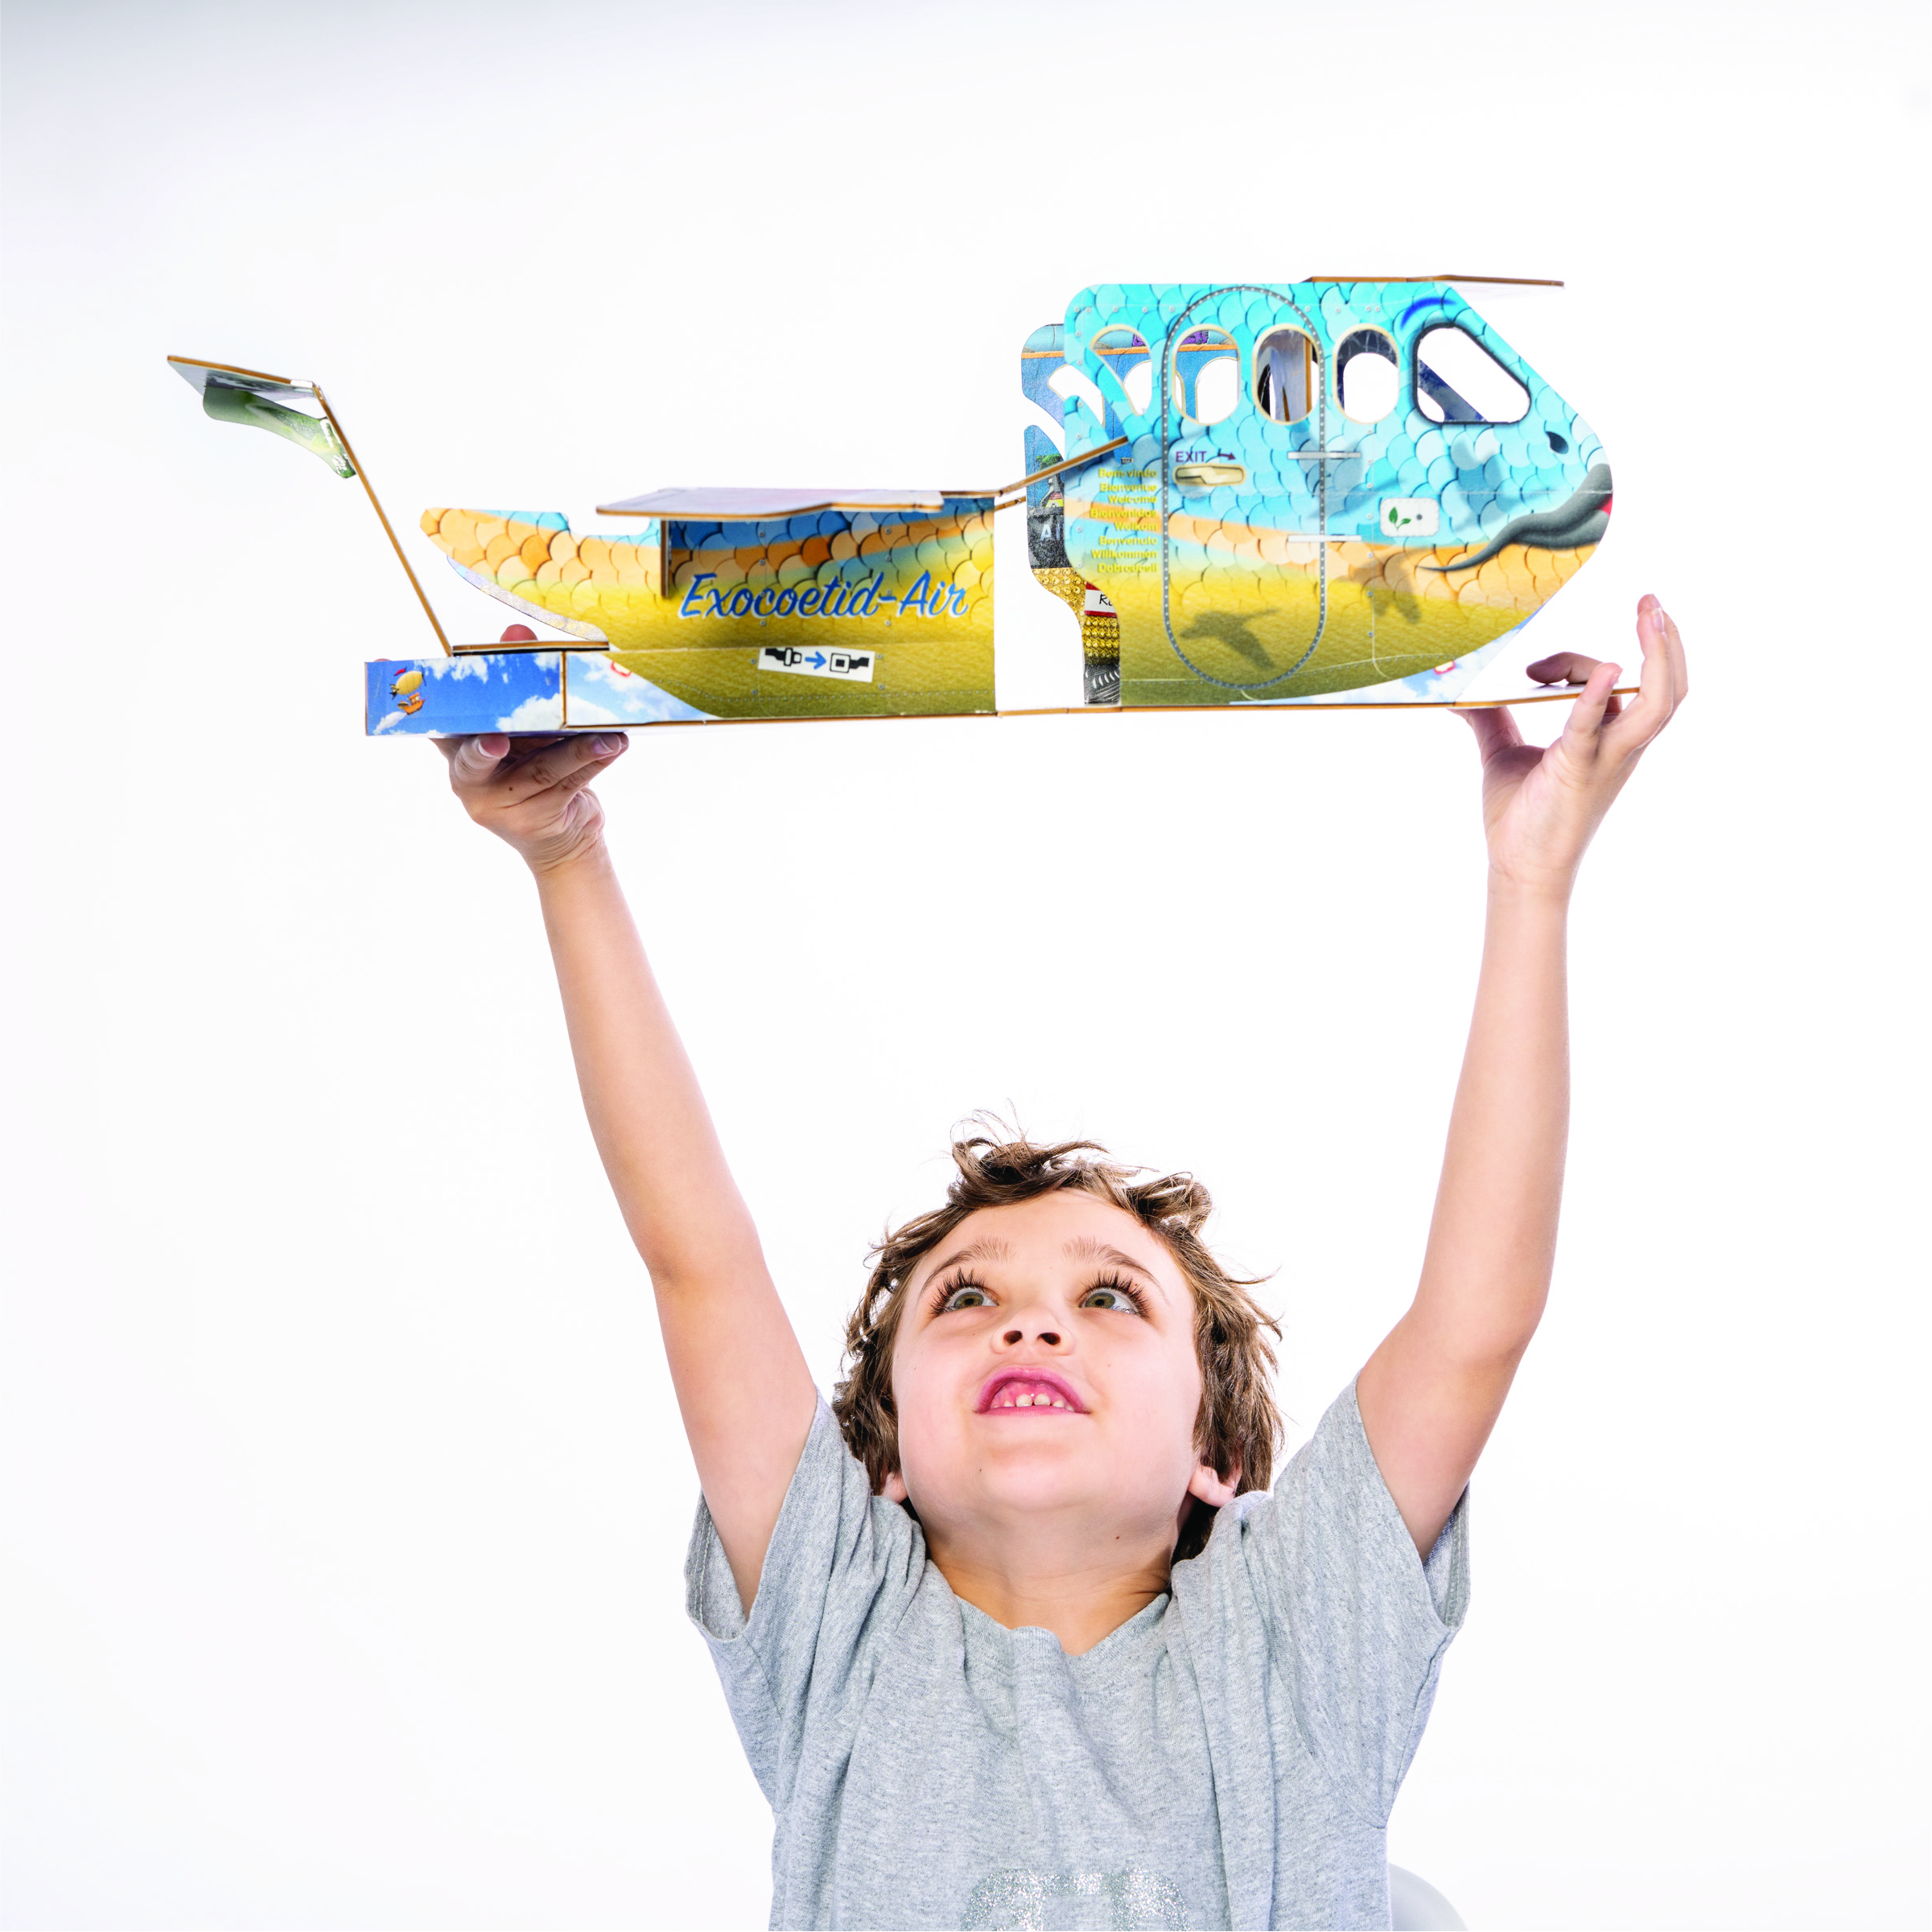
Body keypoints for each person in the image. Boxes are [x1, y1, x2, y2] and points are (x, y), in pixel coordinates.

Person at [436, 599, 1687, 1931]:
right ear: (885, 1465)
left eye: (1110, 1298)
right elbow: (697, 1257)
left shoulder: (1295, 1637)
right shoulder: (841, 1632)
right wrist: (565, 853)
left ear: (1219, 1459)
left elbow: (1475, 1319)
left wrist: (1532, 879)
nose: (1032, 1328)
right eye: (967, 1298)